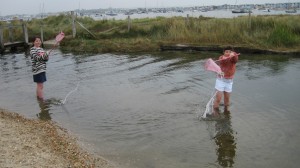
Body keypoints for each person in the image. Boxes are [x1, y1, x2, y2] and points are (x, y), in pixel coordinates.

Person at [213, 46, 239, 114]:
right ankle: (216, 113)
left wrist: (234, 55)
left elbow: (235, 60)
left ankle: (226, 114)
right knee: (218, 99)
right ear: (223, 52)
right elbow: (223, 62)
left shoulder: (233, 58)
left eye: (230, 52)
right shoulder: (221, 58)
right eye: (226, 52)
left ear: (232, 52)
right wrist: (229, 56)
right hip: (220, 80)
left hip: (229, 81)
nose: (228, 53)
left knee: (227, 100)